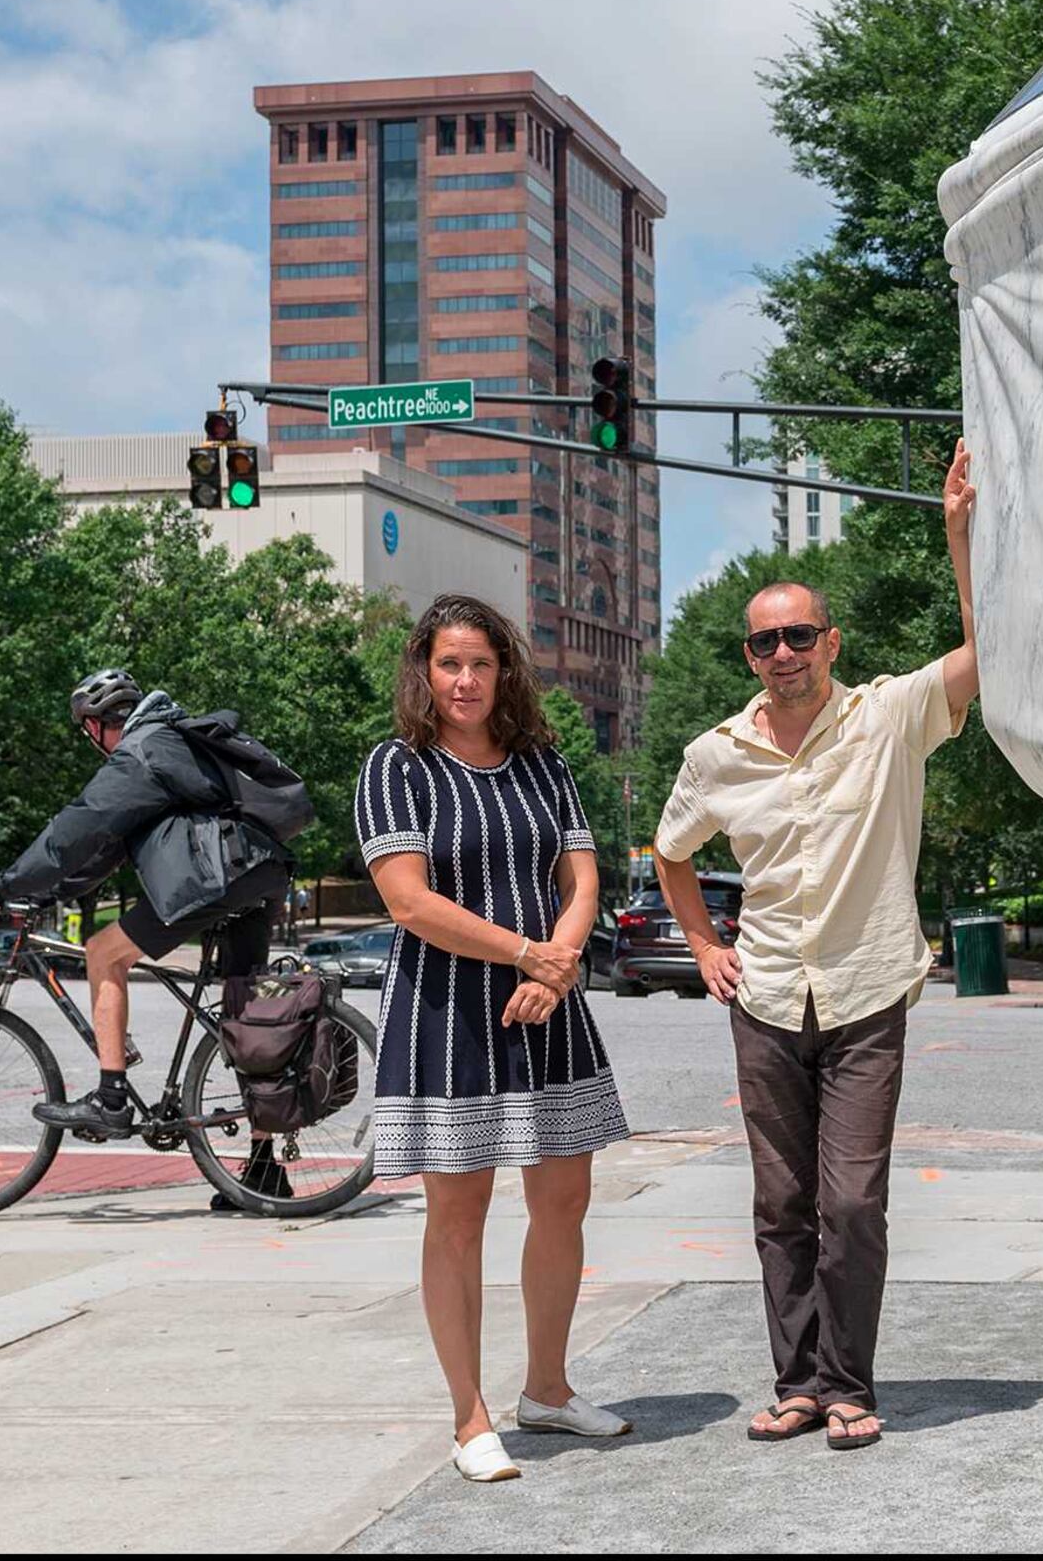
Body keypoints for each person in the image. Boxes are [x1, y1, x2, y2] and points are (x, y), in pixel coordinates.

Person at [652, 441, 980, 1453]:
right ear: (748, 655)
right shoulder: (717, 754)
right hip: (765, 999)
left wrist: (959, 536)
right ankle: (798, 1384)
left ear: (831, 644)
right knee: (781, 1203)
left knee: (851, 1201)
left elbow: (994, 653)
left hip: (867, 990)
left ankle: (848, 1384)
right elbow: (671, 854)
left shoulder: (889, 717)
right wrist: (707, 947)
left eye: (799, 635)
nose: (783, 652)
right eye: (765, 641)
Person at [356, 594, 631, 1485]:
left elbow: (582, 876)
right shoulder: (395, 768)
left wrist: (557, 969)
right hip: (448, 1015)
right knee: (459, 1215)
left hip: (547, 1007)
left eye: (480, 663)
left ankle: (547, 1389)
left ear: (504, 669)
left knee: (564, 1201)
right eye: (448, 664)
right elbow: (409, 902)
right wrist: (529, 954)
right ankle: (470, 1416)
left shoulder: (544, 766)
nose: (466, 679)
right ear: (424, 674)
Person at [0, 669, 299, 1206]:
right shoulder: (171, 743)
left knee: (102, 953)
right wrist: (45, 894)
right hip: (255, 872)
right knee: (247, 1016)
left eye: (86, 730)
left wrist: (5, 884)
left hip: (216, 876)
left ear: (97, 725)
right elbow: (104, 850)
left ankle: (112, 1097)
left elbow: (79, 828)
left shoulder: (141, 752)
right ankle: (263, 1168)